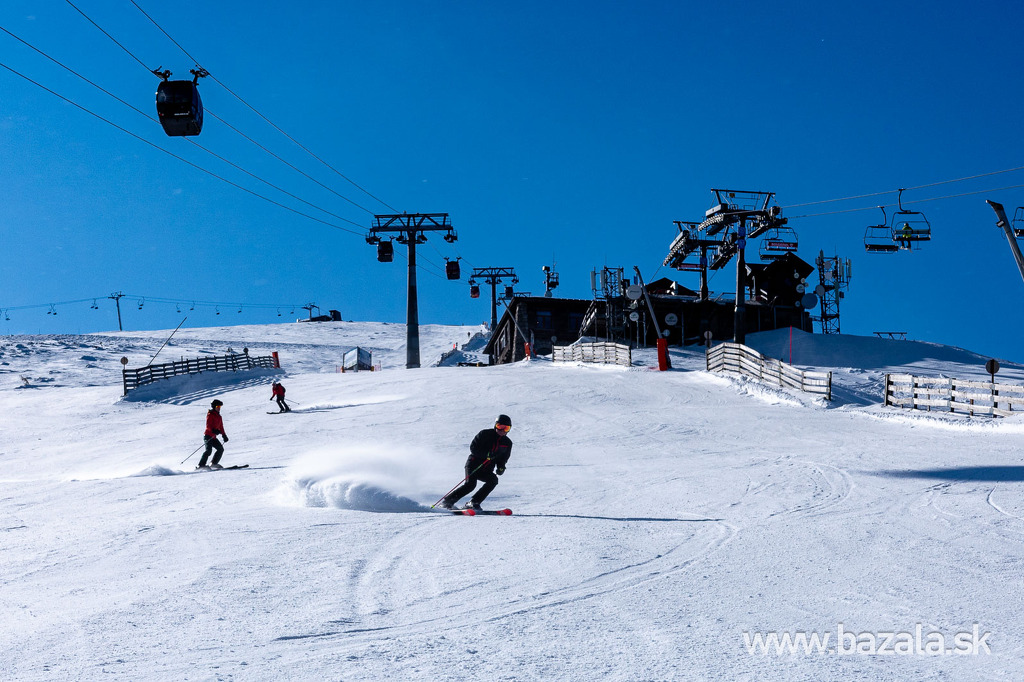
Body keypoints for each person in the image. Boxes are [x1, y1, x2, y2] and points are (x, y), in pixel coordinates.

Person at [440, 414, 513, 510]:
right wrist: (486, 455)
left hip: (486, 469)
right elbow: (473, 448)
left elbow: (503, 458)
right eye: (500, 426)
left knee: (493, 480)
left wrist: (501, 467)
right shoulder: (485, 434)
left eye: (506, 428)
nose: (502, 430)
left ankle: (474, 502)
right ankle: (447, 502)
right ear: (495, 425)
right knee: (470, 485)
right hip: (473, 465)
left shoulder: (507, 443)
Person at [197, 399, 229, 469]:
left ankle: (213, 463)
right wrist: (213, 430)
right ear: (214, 407)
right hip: (208, 436)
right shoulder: (210, 414)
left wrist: (224, 435)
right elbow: (208, 426)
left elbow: (221, 427)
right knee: (208, 451)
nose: (219, 408)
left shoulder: (219, 417)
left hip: (213, 437)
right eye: (217, 406)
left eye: (220, 406)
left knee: (220, 449)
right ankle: (201, 465)